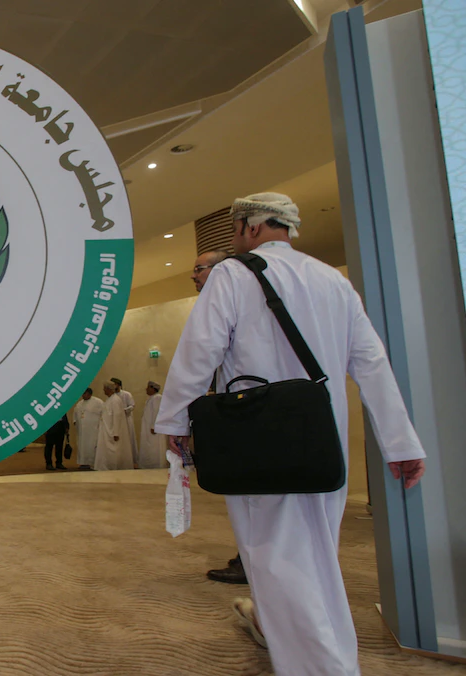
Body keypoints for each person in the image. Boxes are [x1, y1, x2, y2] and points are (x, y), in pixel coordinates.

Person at [155, 192, 426, 674]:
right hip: (324, 440)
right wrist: (400, 443)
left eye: (236, 229)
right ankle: (284, 632)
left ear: (250, 227)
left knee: (277, 558)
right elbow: (371, 363)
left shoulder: (233, 274)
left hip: (260, 436)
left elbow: (200, 350)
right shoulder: (333, 280)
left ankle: (322, 667)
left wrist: (176, 420)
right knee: (316, 556)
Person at [189, 249, 248, 584]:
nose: (194, 276)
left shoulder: (229, 301)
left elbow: (198, 358)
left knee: (252, 494)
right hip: (255, 409)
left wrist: (177, 419)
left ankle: (251, 562)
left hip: (250, 411)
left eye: (199, 269)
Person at [95, 381, 134, 471]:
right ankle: (106, 466)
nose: (103, 390)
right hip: (106, 429)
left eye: (105, 389)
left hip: (112, 431)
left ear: (109, 389)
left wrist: (116, 432)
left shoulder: (115, 400)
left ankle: (114, 467)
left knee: (114, 451)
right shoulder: (109, 399)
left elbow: (117, 417)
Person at [137, 382, 167, 469]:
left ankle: (156, 465)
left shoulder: (157, 397)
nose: (146, 389)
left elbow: (156, 412)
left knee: (155, 447)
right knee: (148, 447)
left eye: (148, 387)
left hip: (154, 429)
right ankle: (148, 465)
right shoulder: (151, 398)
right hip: (148, 427)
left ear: (153, 389)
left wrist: (154, 426)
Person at [73, 388, 103, 470]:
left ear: (89, 394)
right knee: (82, 447)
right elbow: (75, 414)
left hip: (93, 430)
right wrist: (75, 421)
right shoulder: (80, 403)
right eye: (82, 394)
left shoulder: (98, 402)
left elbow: (103, 413)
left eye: (84, 393)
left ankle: (92, 463)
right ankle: (83, 463)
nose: (83, 395)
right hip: (82, 431)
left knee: (92, 446)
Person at [110, 377, 137, 461]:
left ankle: (129, 459)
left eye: (113, 384)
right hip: (117, 422)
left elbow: (132, 405)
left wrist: (123, 411)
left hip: (126, 419)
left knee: (128, 439)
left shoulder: (126, 394)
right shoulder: (112, 396)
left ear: (118, 385)